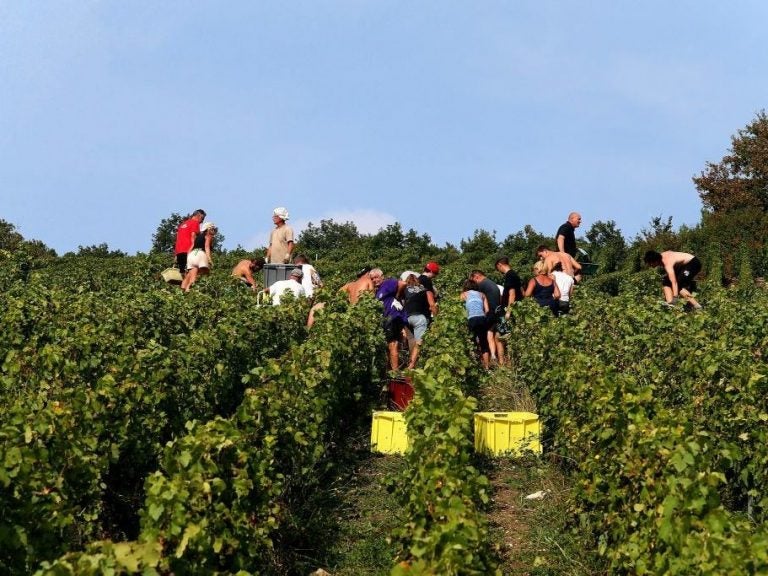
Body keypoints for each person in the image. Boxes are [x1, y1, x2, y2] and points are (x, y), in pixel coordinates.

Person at [371, 268, 409, 373]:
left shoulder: (388, 283)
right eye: (373, 278)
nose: (375, 280)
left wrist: (396, 296)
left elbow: (402, 283)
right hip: (386, 320)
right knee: (388, 347)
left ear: (382, 277)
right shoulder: (378, 290)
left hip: (392, 318)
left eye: (377, 277)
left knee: (392, 345)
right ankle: (390, 371)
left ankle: (395, 372)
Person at [401, 272, 436, 369]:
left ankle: (411, 363)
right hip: (419, 317)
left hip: (407, 318)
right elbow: (432, 305)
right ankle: (412, 366)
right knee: (419, 343)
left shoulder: (405, 289)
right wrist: (437, 317)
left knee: (412, 341)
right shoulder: (424, 289)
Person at [470, 269, 504, 365]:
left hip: (489, 313)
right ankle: (494, 356)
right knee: (491, 334)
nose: (474, 283)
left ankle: (488, 359)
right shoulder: (492, 283)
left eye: (473, 280)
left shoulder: (482, 285)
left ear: (476, 276)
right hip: (497, 312)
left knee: (484, 336)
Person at [461, 279, 491, 369]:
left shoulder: (464, 294)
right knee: (484, 343)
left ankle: (475, 366)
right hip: (482, 318)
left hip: (471, 319)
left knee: (471, 342)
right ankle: (487, 367)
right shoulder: (482, 294)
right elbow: (487, 310)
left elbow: (461, 309)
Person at [181, 221, 216, 292]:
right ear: (208, 229)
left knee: (189, 275)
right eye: (213, 229)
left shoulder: (197, 237)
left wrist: (187, 261)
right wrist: (209, 259)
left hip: (191, 255)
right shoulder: (208, 236)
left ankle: (183, 290)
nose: (214, 231)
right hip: (200, 255)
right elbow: (206, 247)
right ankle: (192, 290)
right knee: (206, 274)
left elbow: (190, 248)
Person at [174, 209, 206, 276]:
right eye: (202, 218)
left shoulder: (182, 224)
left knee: (182, 273)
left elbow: (178, 239)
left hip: (179, 252)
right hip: (188, 250)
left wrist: (176, 255)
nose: (202, 221)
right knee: (192, 272)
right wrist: (194, 249)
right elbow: (193, 236)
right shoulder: (195, 223)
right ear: (198, 215)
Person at [494, 256, 523, 321]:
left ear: (499, 265)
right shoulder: (514, 274)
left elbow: (512, 294)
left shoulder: (509, 275)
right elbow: (522, 291)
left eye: (497, 268)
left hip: (512, 310)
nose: (498, 271)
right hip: (517, 307)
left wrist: (508, 311)